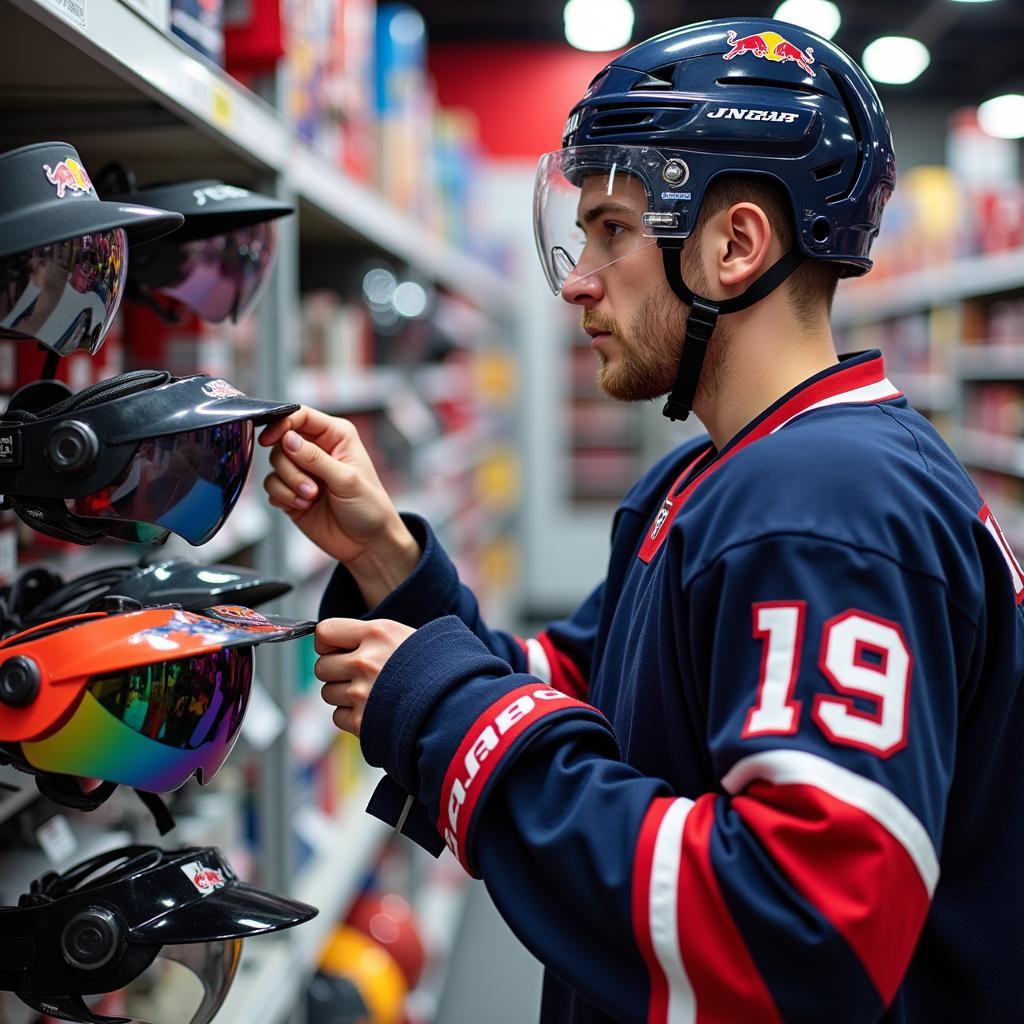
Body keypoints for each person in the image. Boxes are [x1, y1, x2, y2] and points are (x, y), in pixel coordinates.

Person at [260, 18, 1024, 1024]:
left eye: (614, 229)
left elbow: (795, 932)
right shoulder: (724, 476)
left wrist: (444, 716)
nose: (578, 277)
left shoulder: (826, 509)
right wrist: (387, 557)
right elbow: (595, 699)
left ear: (734, 244)